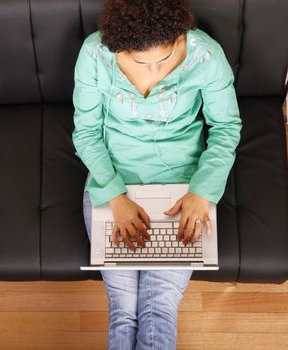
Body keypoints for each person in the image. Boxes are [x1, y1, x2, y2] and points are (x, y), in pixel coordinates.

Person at [71, 0, 242, 349]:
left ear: (179, 36)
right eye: (140, 62)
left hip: (183, 190)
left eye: (164, 59)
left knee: (158, 309)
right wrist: (116, 197)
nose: (153, 71)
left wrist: (203, 192)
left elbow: (226, 128)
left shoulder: (206, 55)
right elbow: (86, 134)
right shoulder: (94, 54)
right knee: (123, 311)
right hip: (112, 184)